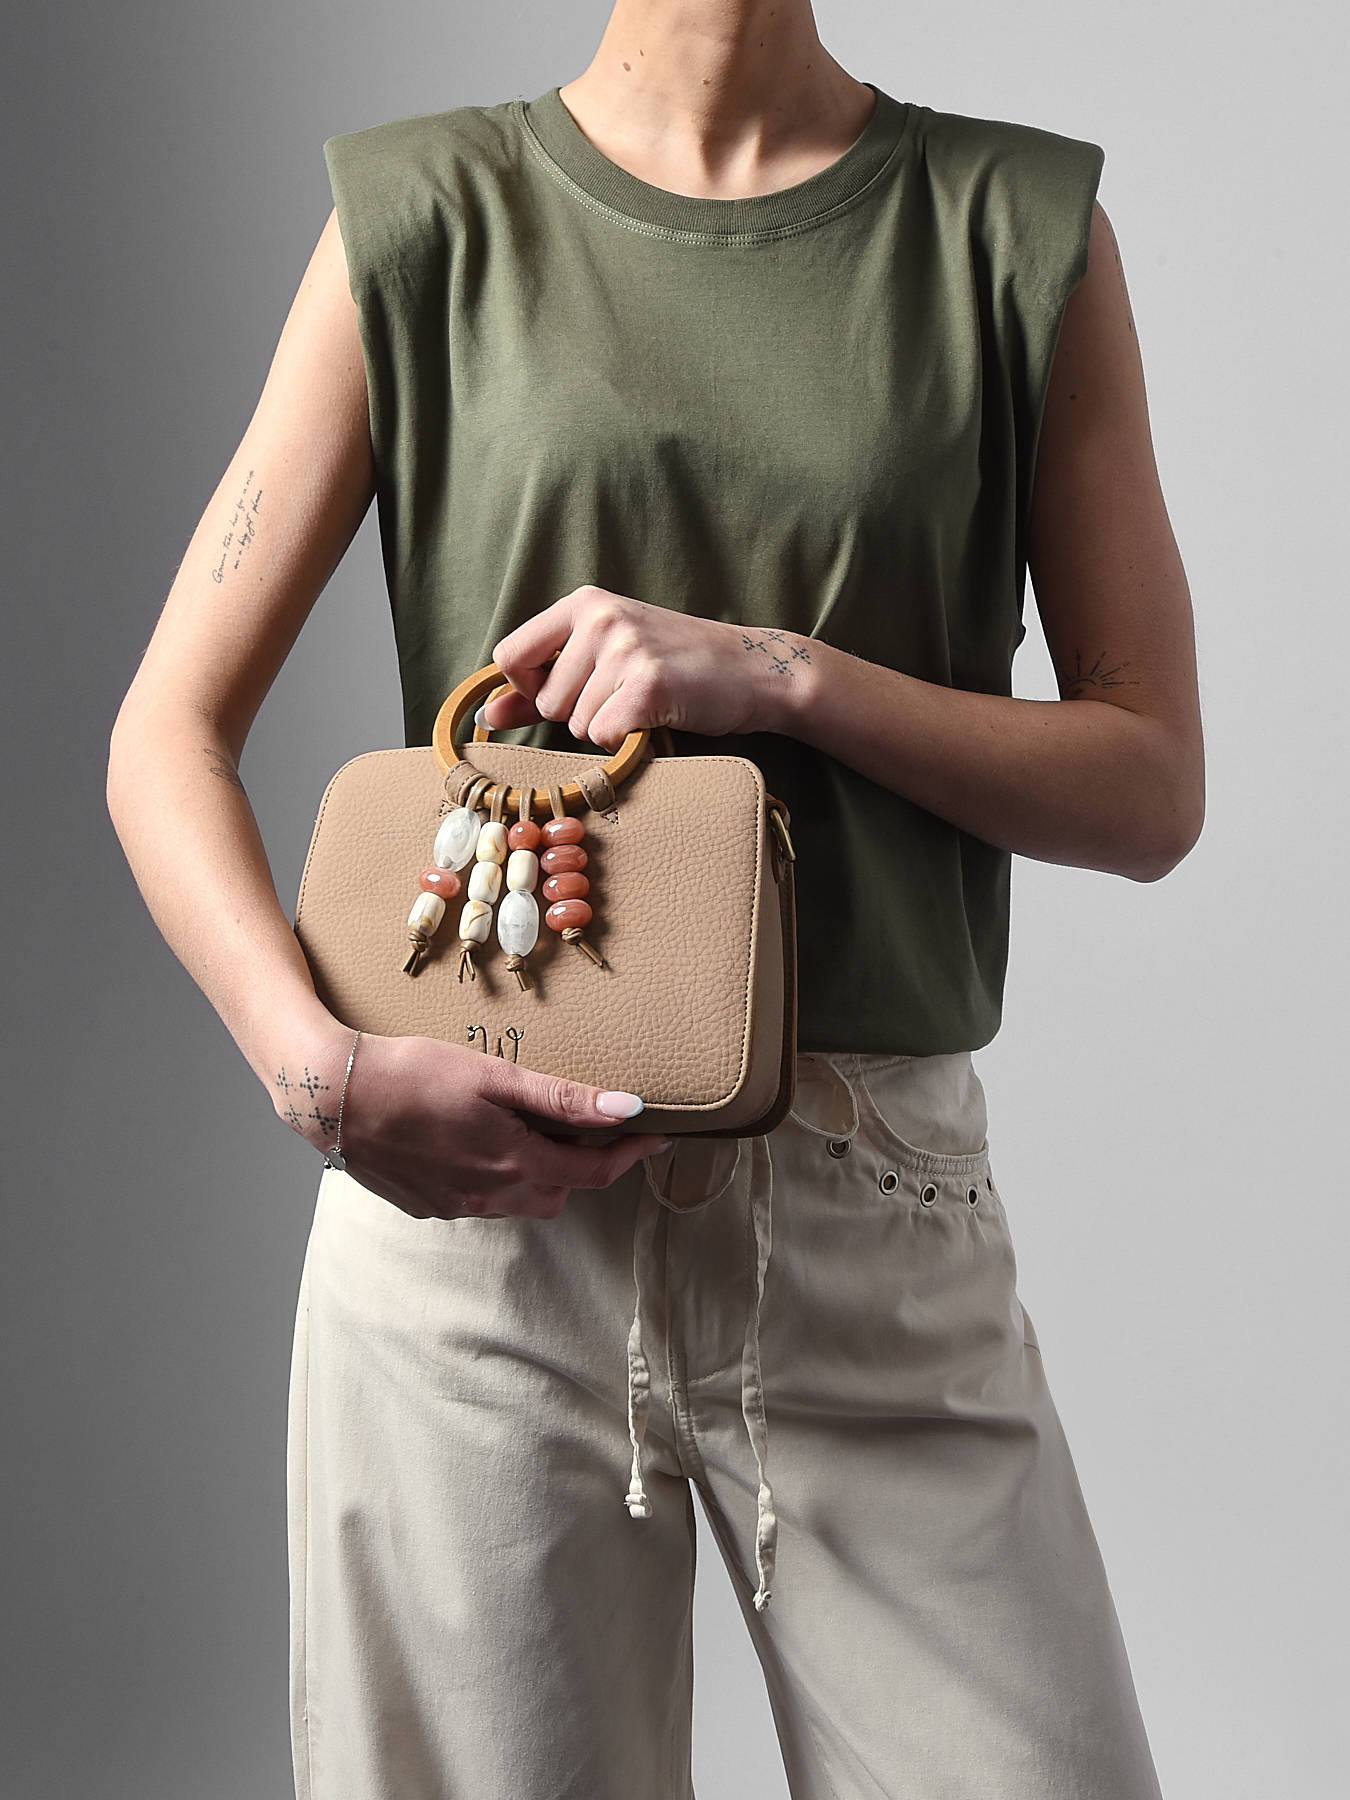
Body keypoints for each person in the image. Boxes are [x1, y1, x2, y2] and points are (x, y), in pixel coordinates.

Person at [106, 2, 1204, 1795]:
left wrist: (779, 673)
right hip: (477, 1227)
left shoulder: (1012, 233)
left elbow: (1150, 787)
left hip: (865, 1208)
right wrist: (321, 1075)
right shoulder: (424, 217)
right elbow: (165, 735)